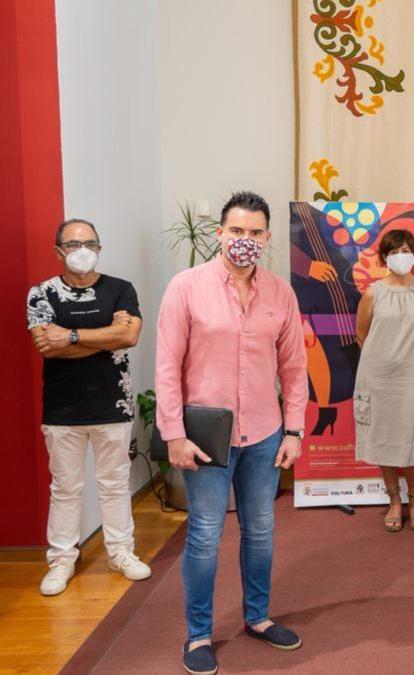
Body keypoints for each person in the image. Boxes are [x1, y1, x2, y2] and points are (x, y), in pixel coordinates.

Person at [156, 191, 308, 675]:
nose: (245, 241)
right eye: (236, 231)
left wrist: (295, 430)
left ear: (267, 237)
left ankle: (257, 618)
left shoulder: (281, 293)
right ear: (219, 233)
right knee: (203, 535)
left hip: (264, 432)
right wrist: (174, 434)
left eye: (255, 233)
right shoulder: (185, 286)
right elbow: (166, 367)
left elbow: (294, 369)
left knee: (260, 531)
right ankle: (199, 634)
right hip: (206, 439)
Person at [26, 218, 149, 597]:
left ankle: (120, 552)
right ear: (58, 250)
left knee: (114, 484)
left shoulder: (120, 289)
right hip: (63, 410)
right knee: (65, 488)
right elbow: (47, 344)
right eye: (74, 242)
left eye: (90, 242)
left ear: (99, 247)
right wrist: (105, 337)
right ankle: (62, 560)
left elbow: (129, 335)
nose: (83, 249)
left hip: (112, 402)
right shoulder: (41, 294)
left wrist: (73, 335)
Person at [354, 229, 414, 532]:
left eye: (405, 249)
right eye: (394, 251)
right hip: (377, 379)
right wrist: (385, 360)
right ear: (385, 257)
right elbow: (361, 335)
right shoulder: (373, 292)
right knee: (384, 440)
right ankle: (394, 500)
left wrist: (407, 361)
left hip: (413, 378)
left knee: (413, 440)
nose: (400, 255)